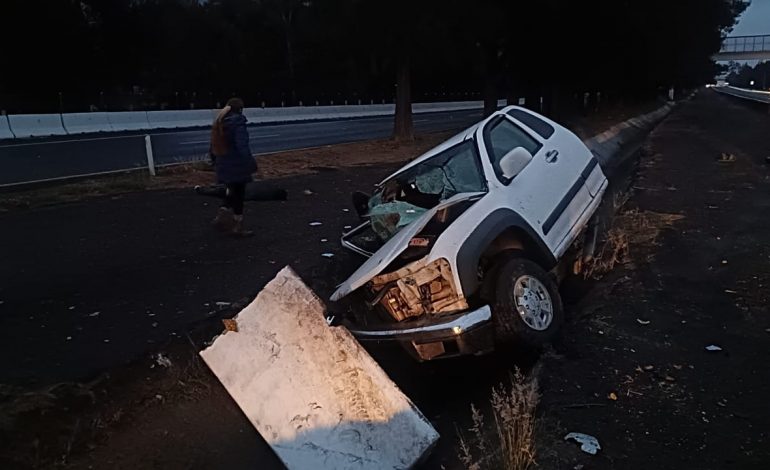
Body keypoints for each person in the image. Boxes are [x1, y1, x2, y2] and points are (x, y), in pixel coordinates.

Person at [210, 98, 257, 236]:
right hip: (237, 165)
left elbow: (213, 146)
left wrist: (215, 162)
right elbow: (242, 146)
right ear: (241, 109)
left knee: (231, 190)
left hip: (223, 163)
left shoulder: (220, 122)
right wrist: (250, 163)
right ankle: (238, 225)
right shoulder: (238, 124)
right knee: (239, 194)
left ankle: (221, 217)